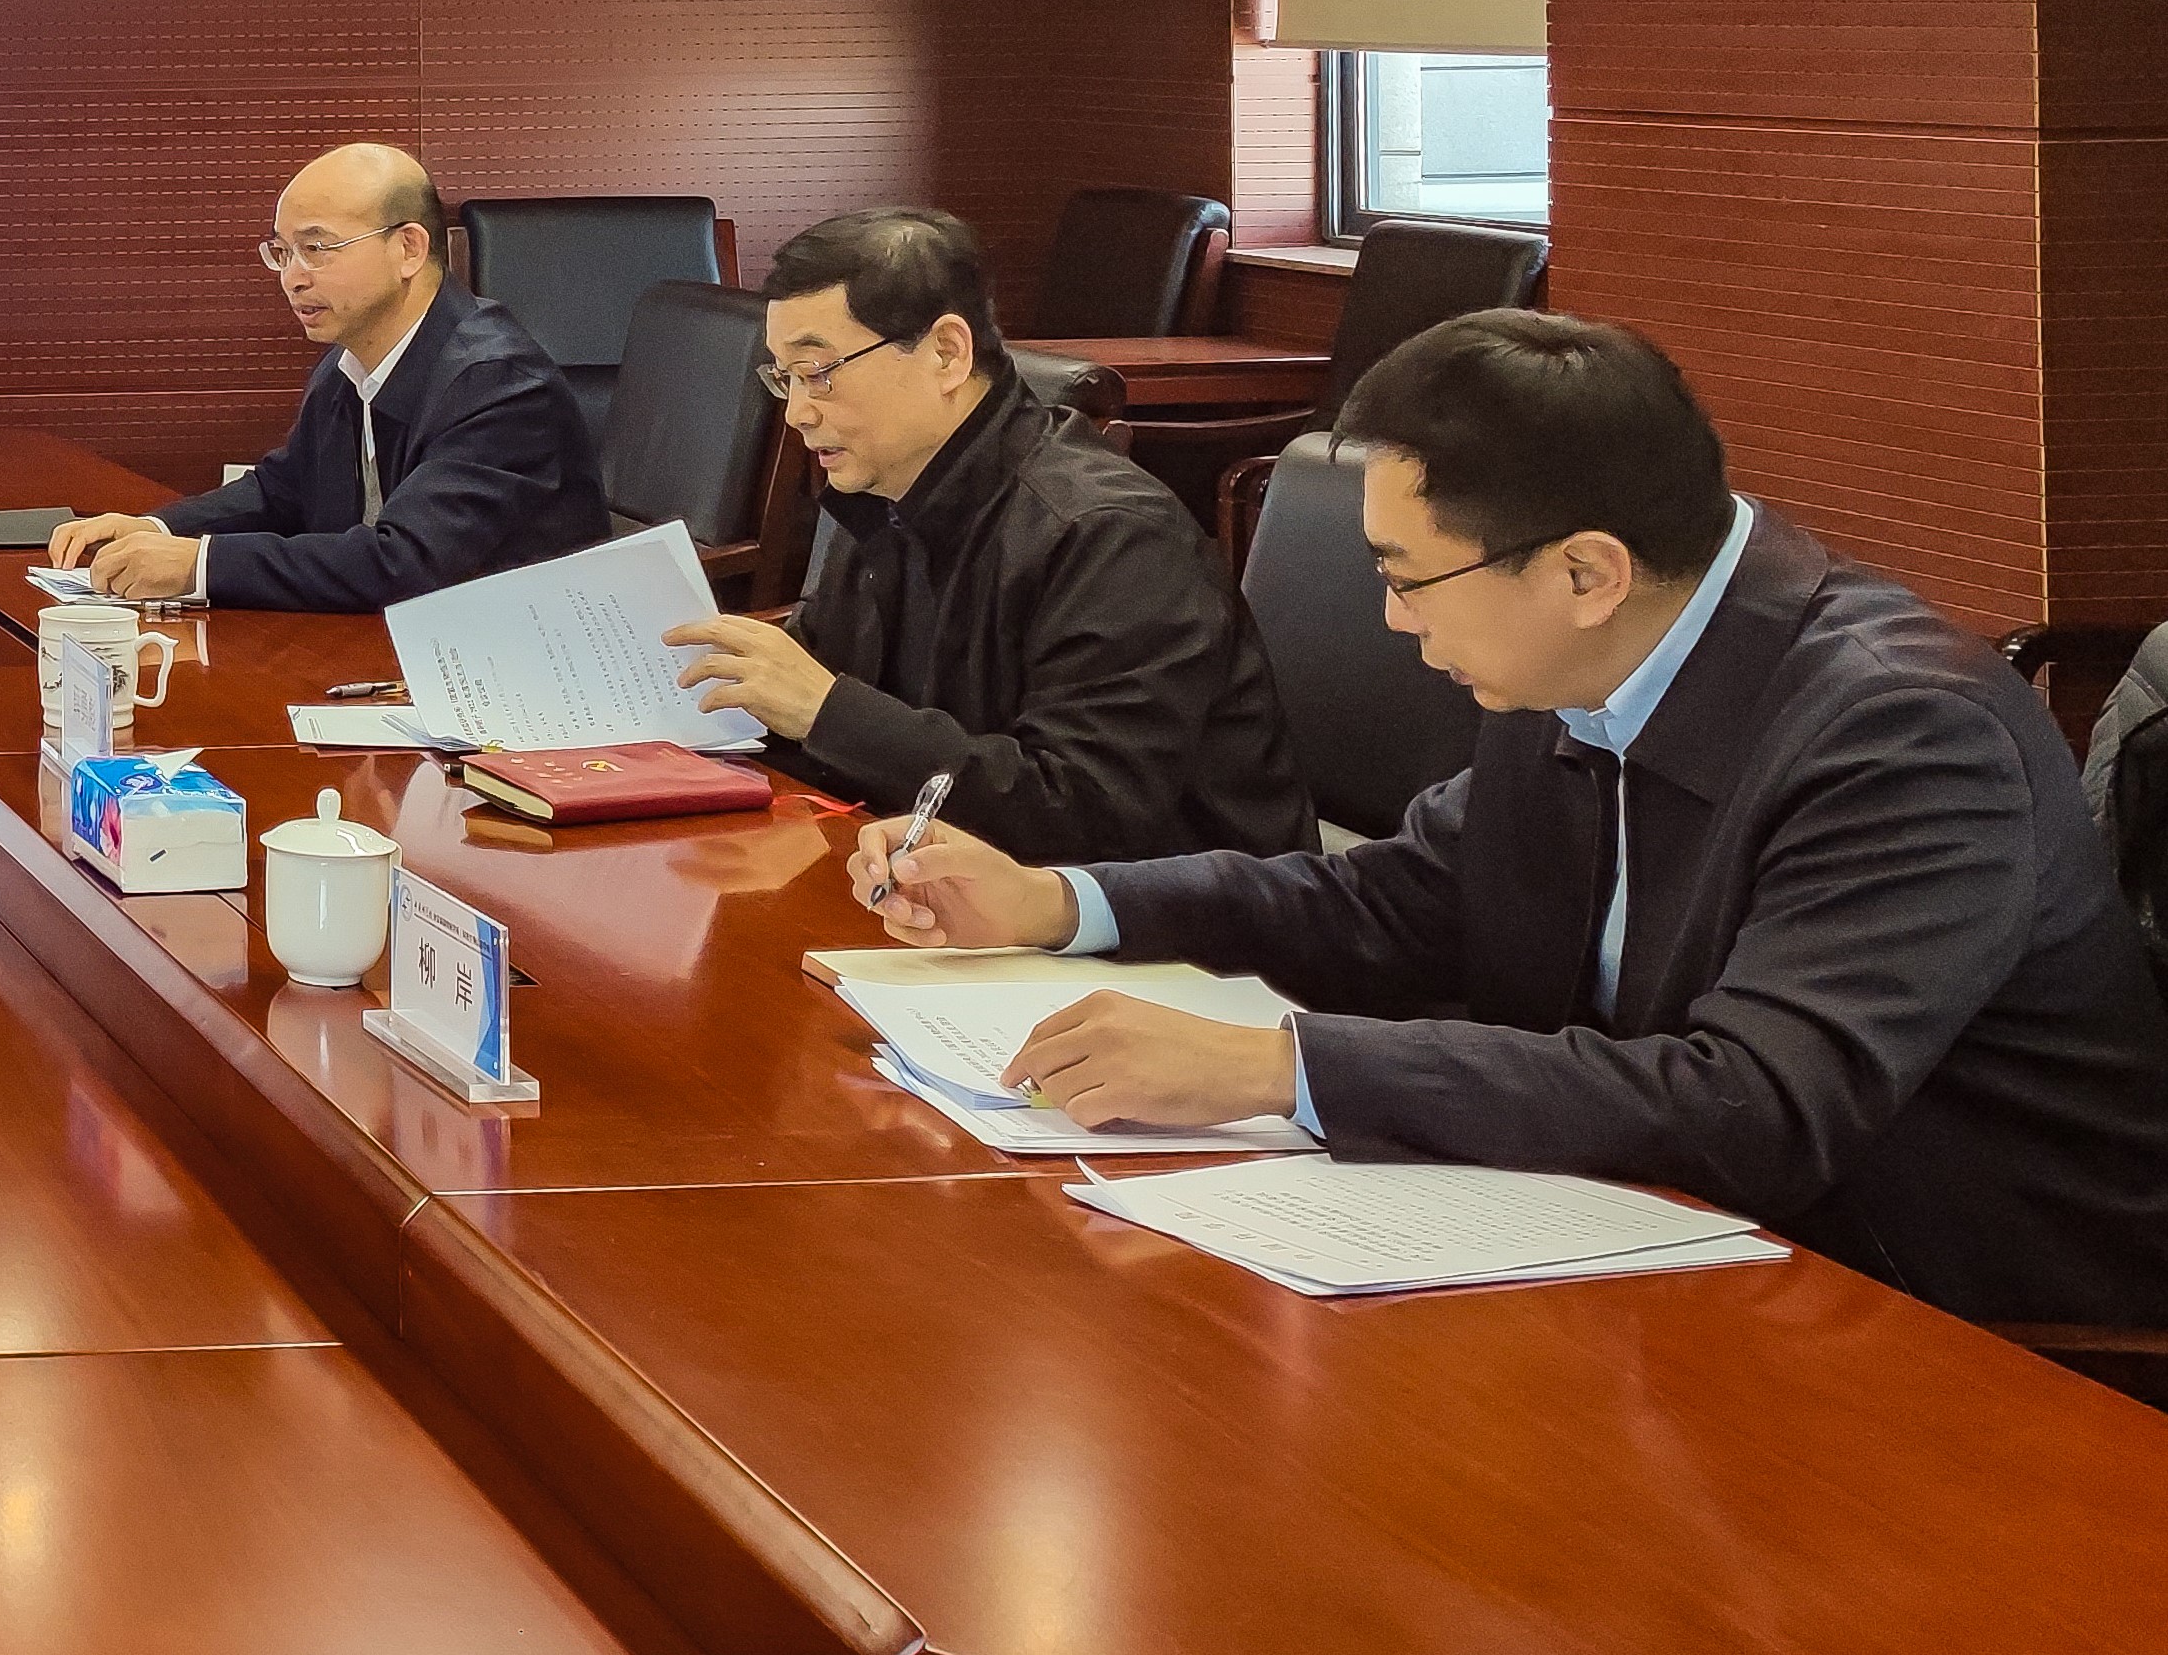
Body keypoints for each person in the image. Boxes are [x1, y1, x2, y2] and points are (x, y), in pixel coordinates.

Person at [857, 310, 2168, 1327]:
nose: (1392, 618)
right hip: (1661, 1243)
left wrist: (1277, 1068)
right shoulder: (1593, 651)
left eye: (1409, 577)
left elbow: (1753, 1103)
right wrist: (1064, 901)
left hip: (1960, 1318)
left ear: (1586, 570)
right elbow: (1400, 898)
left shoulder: (1902, 731)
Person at [662, 207, 1312, 863]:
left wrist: (826, 712)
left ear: (946, 353)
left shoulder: (1110, 535)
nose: (798, 413)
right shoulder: (881, 491)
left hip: (1165, 908)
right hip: (932, 871)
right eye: (785, 378)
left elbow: (1084, 812)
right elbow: (818, 679)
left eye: (818, 373)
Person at [46, 145, 604, 611]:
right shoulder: (348, 362)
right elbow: (285, 489)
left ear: (408, 248)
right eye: (282, 252)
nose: (292, 277)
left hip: (520, 662)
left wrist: (201, 565)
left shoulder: (499, 385)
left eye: (316, 249)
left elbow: (406, 563)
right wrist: (159, 529)